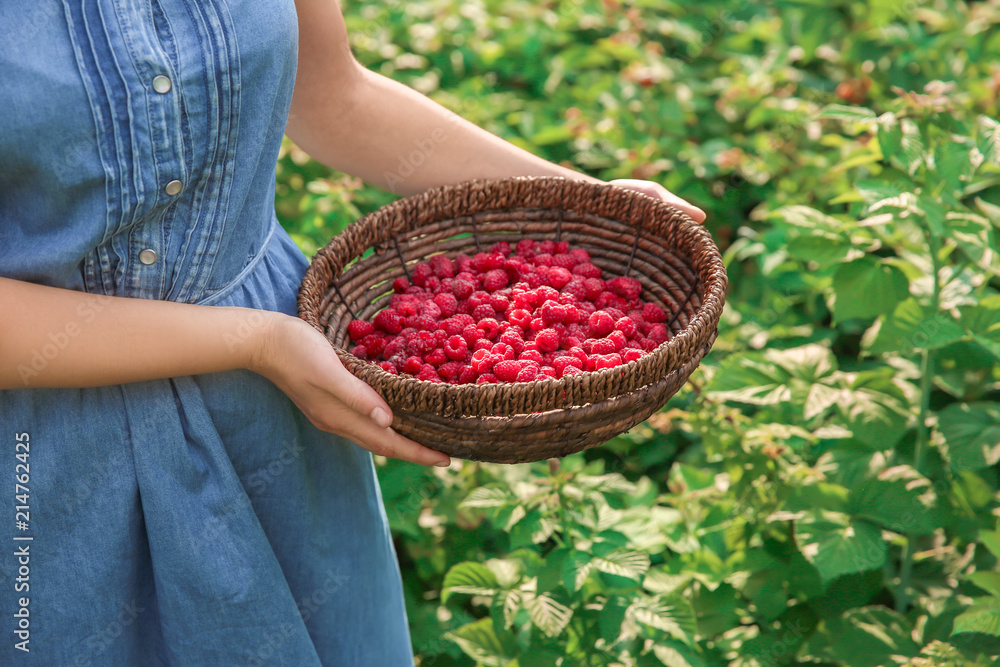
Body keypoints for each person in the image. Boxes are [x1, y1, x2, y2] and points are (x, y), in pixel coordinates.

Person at [0, 0, 705, 664]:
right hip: (46, 448)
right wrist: (255, 342)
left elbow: (334, 99)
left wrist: (578, 198)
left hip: (268, 409)